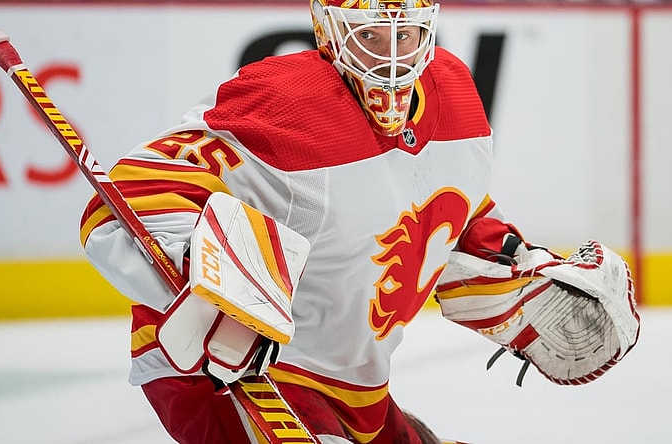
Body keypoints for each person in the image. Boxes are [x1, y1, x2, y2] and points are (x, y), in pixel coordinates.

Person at [80, 1, 640, 443]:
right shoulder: (285, 102)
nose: (391, 57)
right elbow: (132, 194)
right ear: (327, 29)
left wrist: (519, 273)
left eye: (406, 35)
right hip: (229, 375)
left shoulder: (457, 95)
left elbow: (448, 217)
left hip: (356, 380)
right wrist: (207, 286)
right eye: (369, 36)